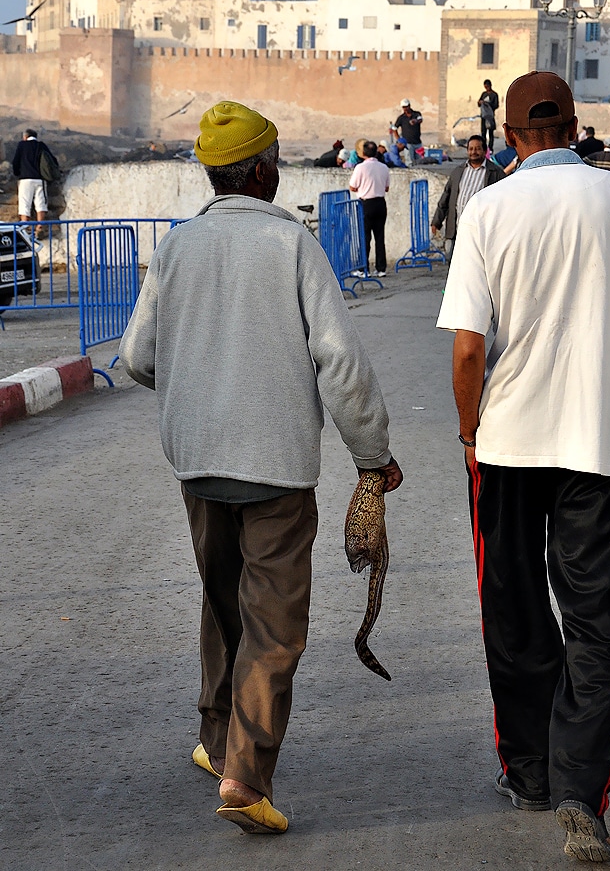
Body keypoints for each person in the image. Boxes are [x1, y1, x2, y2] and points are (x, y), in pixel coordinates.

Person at [119, 101, 403, 835]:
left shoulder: (178, 248)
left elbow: (136, 357)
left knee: (221, 603)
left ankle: (217, 743)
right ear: (263, 169)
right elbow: (340, 363)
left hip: (197, 463)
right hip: (274, 470)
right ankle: (245, 777)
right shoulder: (292, 247)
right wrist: (373, 456)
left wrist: (196, 387)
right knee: (273, 625)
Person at [436, 70, 610, 863]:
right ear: (576, 127)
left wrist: (470, 432)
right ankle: (581, 793)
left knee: (511, 612)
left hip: (507, 448)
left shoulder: (488, 207)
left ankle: (531, 773)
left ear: (510, 136)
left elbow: (469, 349)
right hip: (598, 449)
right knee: (593, 624)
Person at [430, 134, 505, 255]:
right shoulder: (458, 172)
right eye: (471, 149)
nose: (473, 152)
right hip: (456, 230)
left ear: (484, 151)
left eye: (477, 149)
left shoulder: (495, 173)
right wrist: (436, 221)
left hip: (480, 233)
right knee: (453, 265)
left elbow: (503, 203)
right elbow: (446, 197)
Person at [349, 140, 390, 276]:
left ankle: (363, 269)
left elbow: (353, 186)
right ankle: (381, 268)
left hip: (366, 204)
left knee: (365, 237)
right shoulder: (384, 167)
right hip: (380, 203)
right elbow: (387, 188)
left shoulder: (360, 168)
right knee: (380, 237)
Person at [12, 128, 55, 235]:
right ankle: (40, 226)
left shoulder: (22, 145)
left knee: (25, 203)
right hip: (40, 179)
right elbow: (52, 160)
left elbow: (16, 161)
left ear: (25, 137)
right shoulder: (41, 145)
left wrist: (17, 173)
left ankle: (25, 227)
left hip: (25, 179)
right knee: (41, 202)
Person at [394, 99, 423, 164]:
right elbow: (394, 128)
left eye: (406, 107)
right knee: (409, 162)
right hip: (408, 144)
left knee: (419, 161)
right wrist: (398, 139)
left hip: (418, 143)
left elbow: (420, 119)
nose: (405, 109)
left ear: (409, 106)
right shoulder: (401, 118)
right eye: (404, 107)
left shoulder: (416, 114)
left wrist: (415, 121)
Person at [477, 80, 499, 152]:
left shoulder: (494, 95)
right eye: (485, 87)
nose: (486, 88)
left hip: (490, 116)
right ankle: (483, 148)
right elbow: (479, 104)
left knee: (490, 132)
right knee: (483, 132)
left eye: (487, 87)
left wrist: (488, 104)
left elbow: (496, 105)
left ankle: (490, 148)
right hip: (484, 116)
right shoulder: (483, 94)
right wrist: (480, 102)